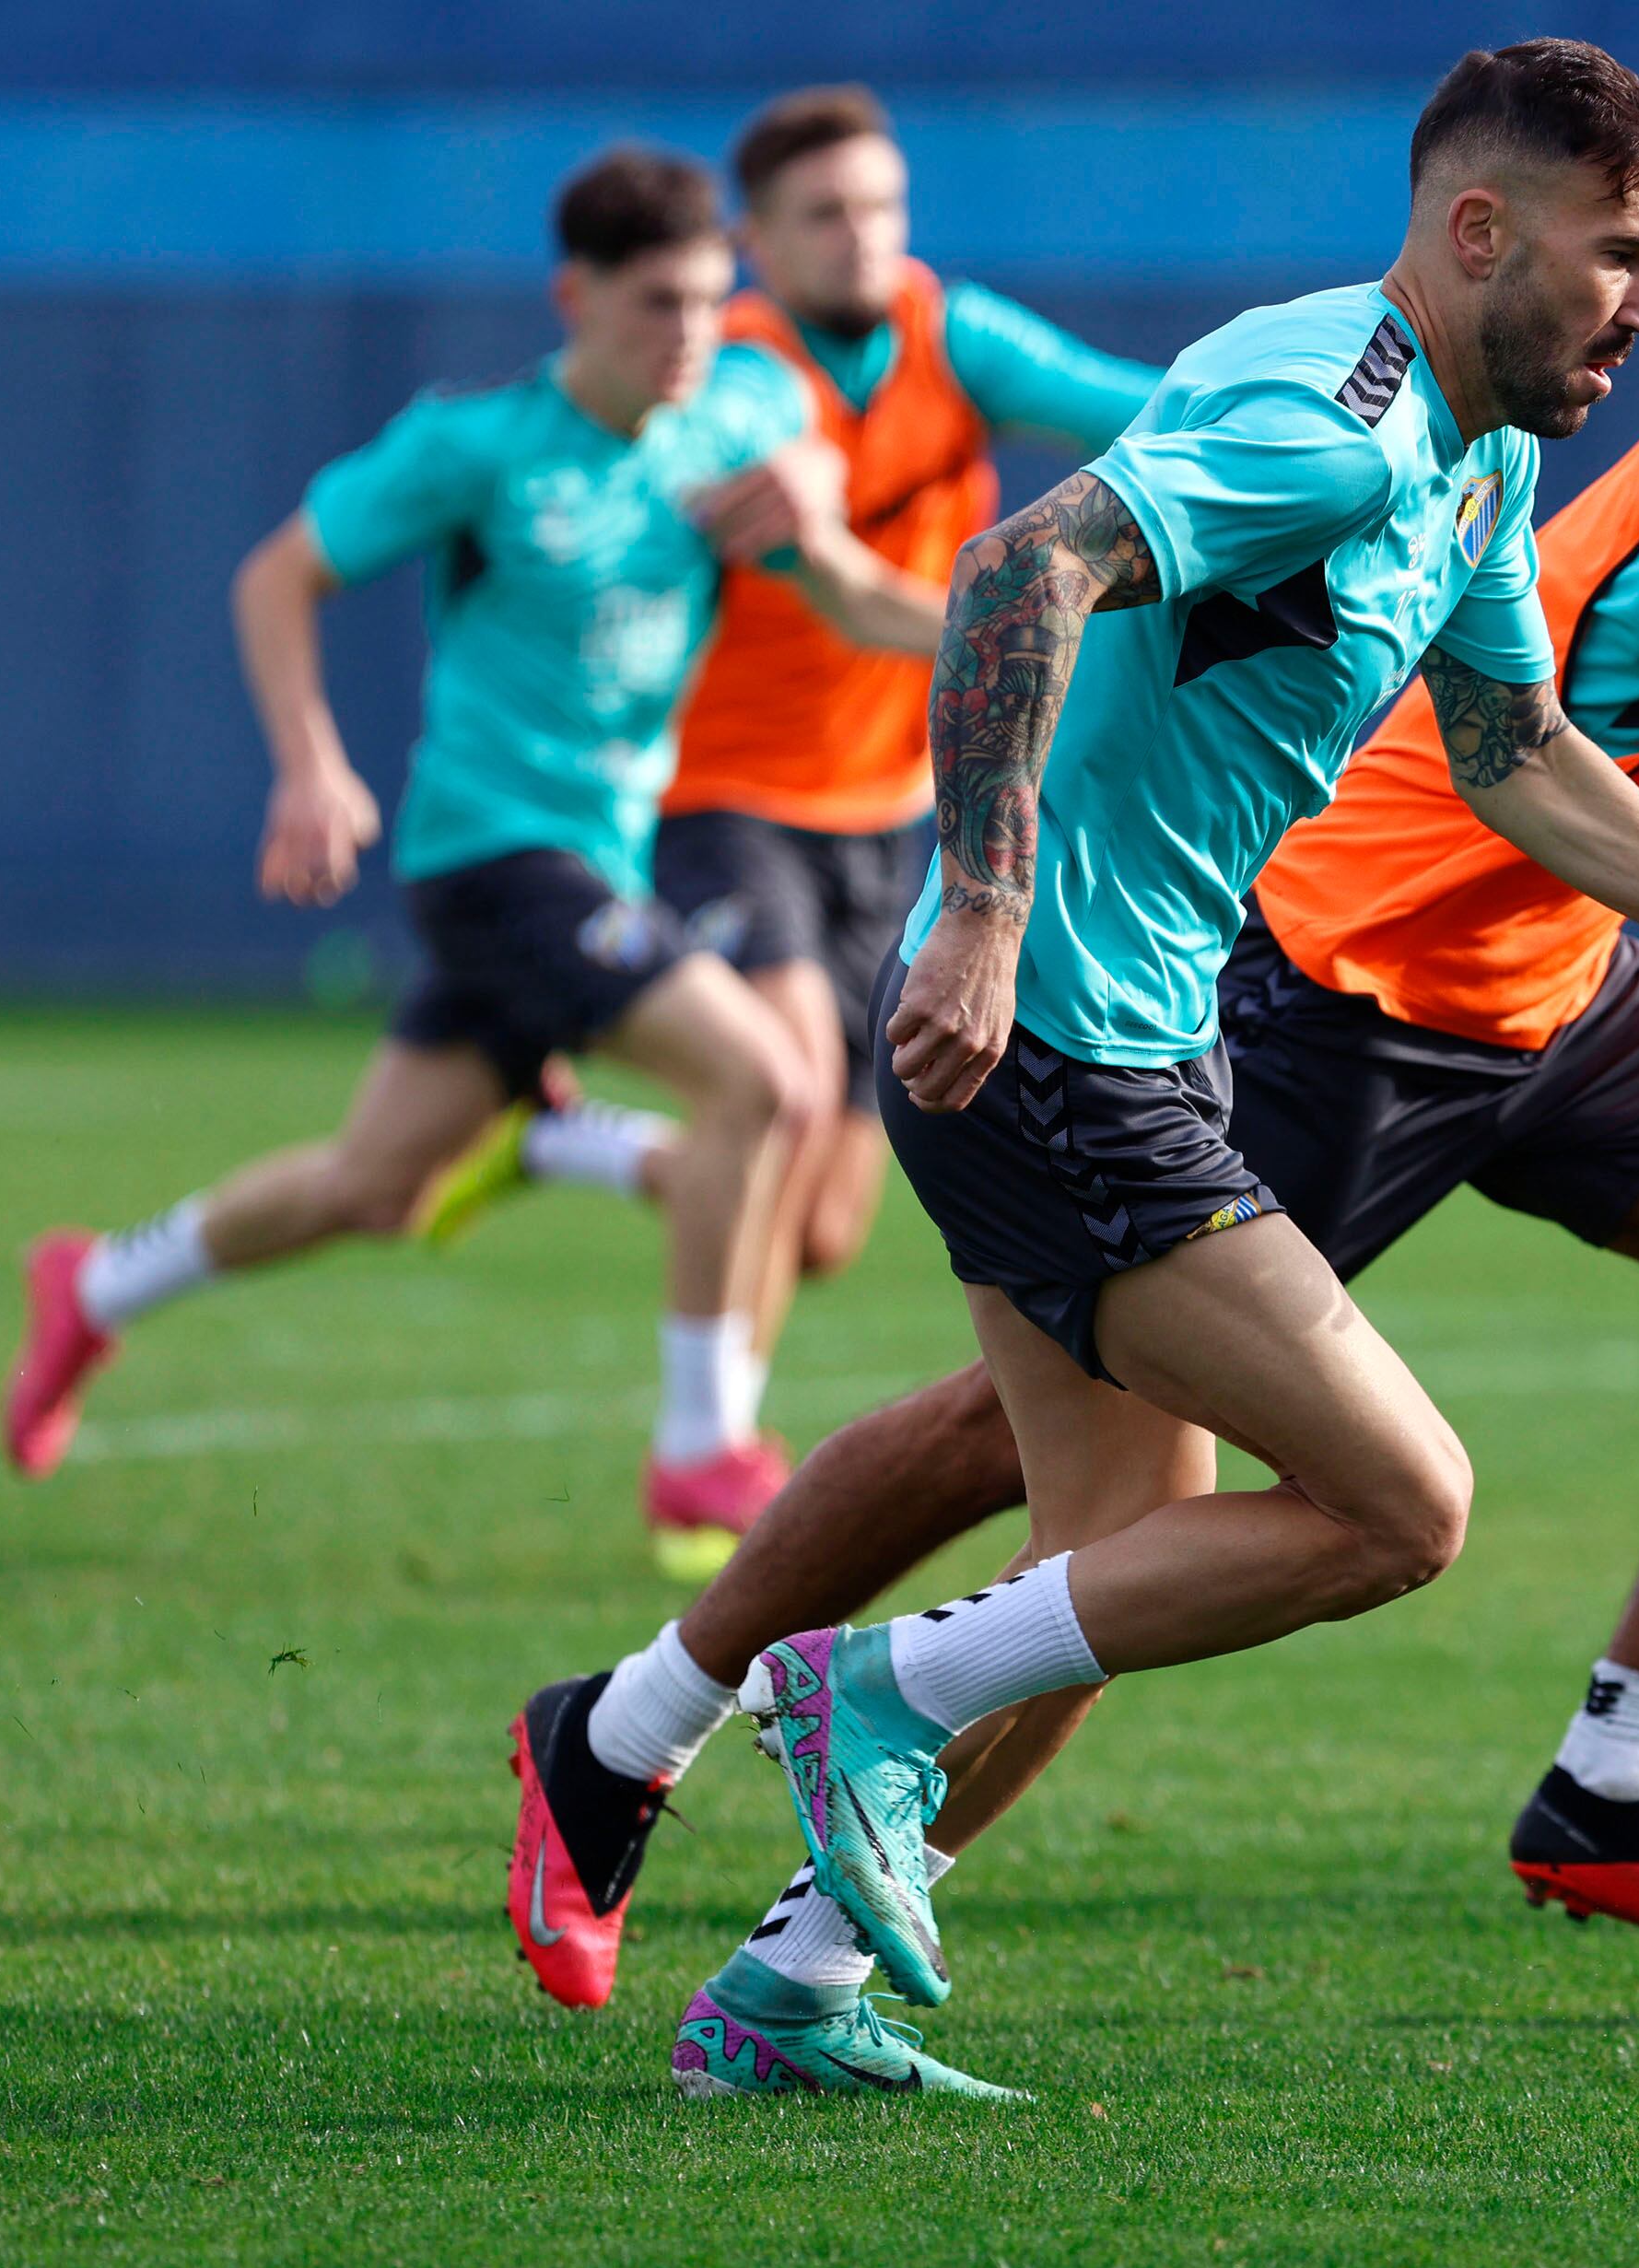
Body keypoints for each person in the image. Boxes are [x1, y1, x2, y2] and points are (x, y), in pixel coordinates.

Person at [504, 169, 1639, 2025]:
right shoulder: (1414, 442)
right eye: (1618, 260)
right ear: (1485, 234)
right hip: (1329, 995)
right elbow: (1029, 567)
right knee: (1138, 1507)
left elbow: (1531, 739)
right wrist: (988, 909)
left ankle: (1610, 1778)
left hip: (1537, 982)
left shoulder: (1586, 419)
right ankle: (683, 1726)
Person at [0, 149, 946, 1550]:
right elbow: (278, 576)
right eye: (654, 307)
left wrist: (1035, 635)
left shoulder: (735, 411)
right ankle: (700, 1448)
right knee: (768, 1079)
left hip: (599, 867)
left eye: (703, 301)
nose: (688, 333)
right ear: (574, 297)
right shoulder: (478, 448)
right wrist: (312, 767)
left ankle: (92, 1288)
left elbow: (857, 594)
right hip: (495, 855)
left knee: (372, 1186)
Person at [421, 91, 1168, 1582]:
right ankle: (708, 1458)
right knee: (760, 1083)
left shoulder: (951, 336)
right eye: (826, 215)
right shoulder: (721, 370)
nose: (866, 240)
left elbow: (1136, 403)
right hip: (723, 805)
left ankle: (569, 1141)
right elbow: (698, 460)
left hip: (892, 809)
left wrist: (1284, 440)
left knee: (820, 1224)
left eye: (885, 209)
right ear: (754, 242)